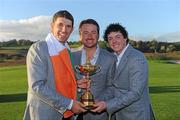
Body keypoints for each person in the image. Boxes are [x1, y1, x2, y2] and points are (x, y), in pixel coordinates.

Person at [23, 10, 86, 120]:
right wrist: (70, 104)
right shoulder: (39, 48)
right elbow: (37, 86)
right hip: (45, 113)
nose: (64, 30)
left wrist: (78, 84)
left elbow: (65, 80)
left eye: (68, 26)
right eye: (60, 25)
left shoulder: (67, 50)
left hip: (67, 114)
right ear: (52, 26)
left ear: (72, 29)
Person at [92, 23, 155, 120]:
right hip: (118, 115)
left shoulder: (137, 58)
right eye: (110, 38)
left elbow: (135, 92)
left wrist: (107, 105)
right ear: (108, 43)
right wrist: (98, 100)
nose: (114, 41)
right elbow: (114, 87)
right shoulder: (114, 58)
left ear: (125, 38)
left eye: (118, 37)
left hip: (135, 115)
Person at [72, 19, 116, 120]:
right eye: (85, 32)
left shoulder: (110, 58)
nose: (90, 36)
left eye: (93, 32)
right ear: (80, 35)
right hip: (73, 113)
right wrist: (76, 85)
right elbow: (63, 82)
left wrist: (98, 102)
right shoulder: (71, 55)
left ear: (98, 35)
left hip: (97, 115)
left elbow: (112, 87)